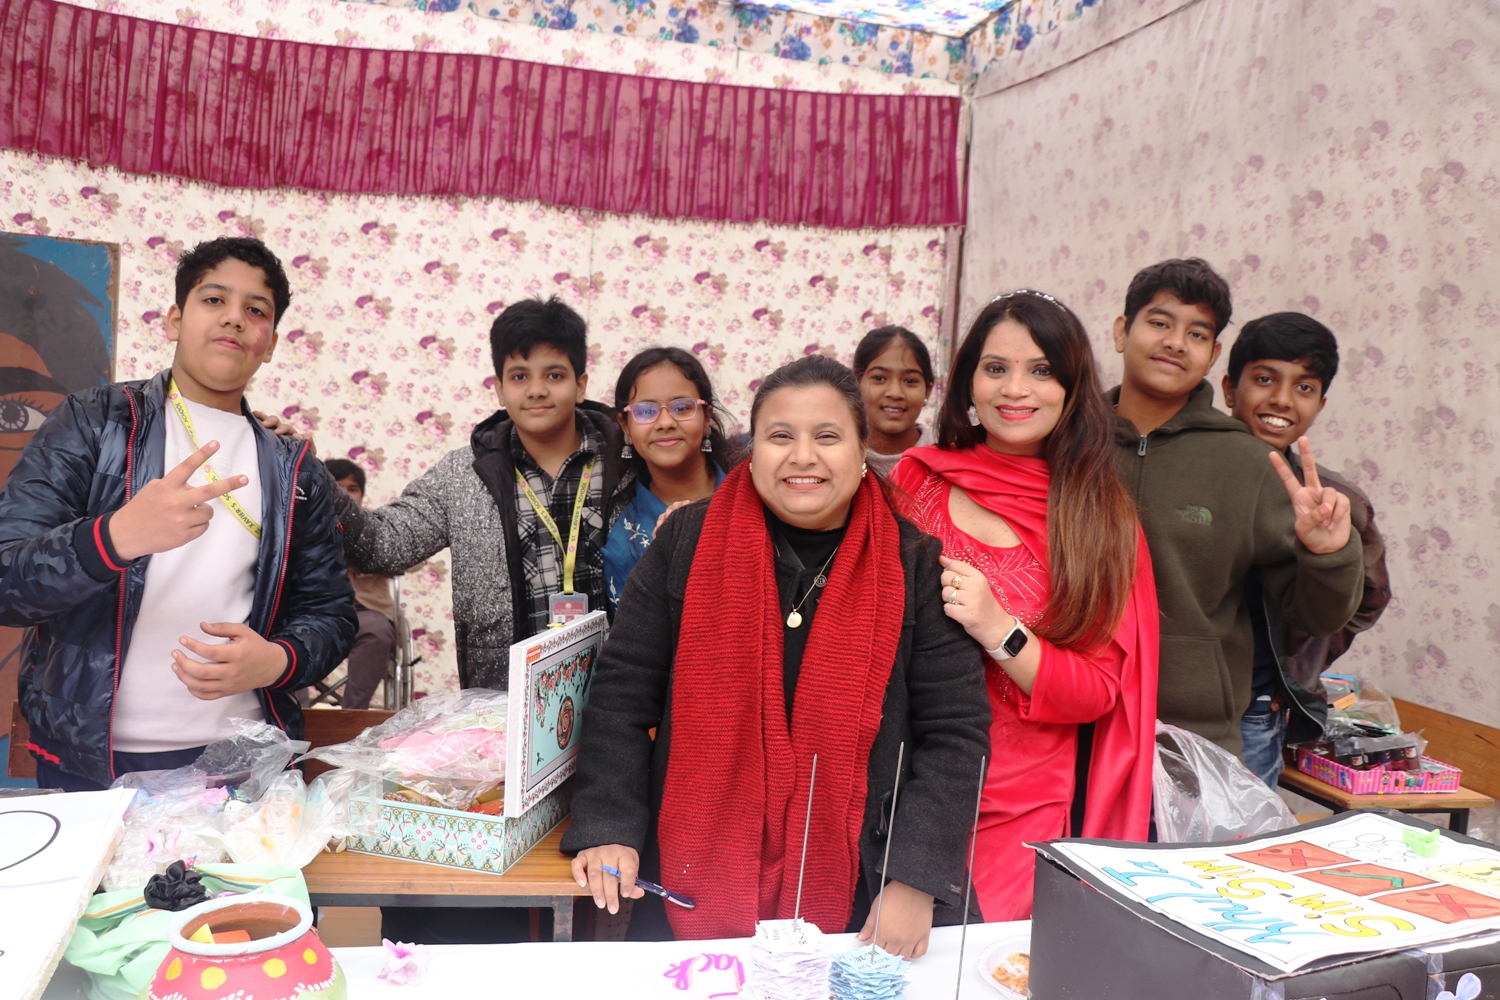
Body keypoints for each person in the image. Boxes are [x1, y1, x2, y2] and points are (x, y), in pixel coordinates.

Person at [562, 355, 990, 957]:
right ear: (751, 449)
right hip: (693, 877)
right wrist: (609, 825)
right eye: (780, 436)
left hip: (868, 892)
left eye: (828, 437)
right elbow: (621, 696)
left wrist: (915, 876)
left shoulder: (914, 563)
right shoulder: (685, 543)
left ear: (862, 450)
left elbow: (957, 734)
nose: (803, 457)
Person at [0, 237, 357, 791]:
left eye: (255, 310)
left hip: (242, 767)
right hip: (90, 765)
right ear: (174, 320)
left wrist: (278, 661)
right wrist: (113, 538)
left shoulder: (293, 466)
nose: (234, 317)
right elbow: (8, 582)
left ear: (270, 344)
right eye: (214, 300)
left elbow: (331, 614)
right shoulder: (94, 423)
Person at [890, 289, 1158, 921]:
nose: (1015, 389)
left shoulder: (1098, 520)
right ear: (968, 382)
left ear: (1071, 388)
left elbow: (1097, 692)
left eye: (1041, 370)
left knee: (981, 964)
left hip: (1017, 805)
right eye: (996, 368)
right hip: (901, 786)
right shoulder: (915, 480)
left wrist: (999, 630)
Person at [1108, 258, 1364, 758]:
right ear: (1122, 331)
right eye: (1159, 322)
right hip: (1063, 721)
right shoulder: (1067, 439)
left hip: (1190, 739)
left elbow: (1316, 615)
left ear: (1212, 355)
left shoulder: (1249, 464)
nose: (1176, 342)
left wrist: (1330, 554)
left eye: (1197, 334)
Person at [329, 295, 631, 692]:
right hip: (504, 705)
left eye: (554, 375)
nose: (536, 390)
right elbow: (382, 545)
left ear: (580, 386)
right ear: (499, 390)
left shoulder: (629, 462)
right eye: (519, 377)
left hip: (619, 703)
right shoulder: (462, 474)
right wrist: (310, 474)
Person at [1222, 312, 1391, 785]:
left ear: (1320, 404)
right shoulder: (1194, 472)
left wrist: (1295, 665)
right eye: (1264, 379)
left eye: (1304, 387)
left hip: (1255, 716)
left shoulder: (1336, 503)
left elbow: (1369, 598)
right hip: (1163, 705)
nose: (1281, 398)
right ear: (1230, 388)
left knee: (1236, 833)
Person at [602, 347, 732, 613]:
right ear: (626, 426)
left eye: (681, 408)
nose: (665, 422)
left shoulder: (754, 495)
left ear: (706, 417)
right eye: (646, 411)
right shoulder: (624, 543)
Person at [323, 458, 399, 710]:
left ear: (362, 495)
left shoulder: (376, 525)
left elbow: (411, 558)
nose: (346, 493)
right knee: (286, 632)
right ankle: (296, 720)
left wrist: (366, 558)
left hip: (365, 613)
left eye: (353, 488)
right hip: (316, 611)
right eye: (338, 486)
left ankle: (353, 716)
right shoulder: (304, 523)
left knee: (377, 632)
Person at [853, 326, 935, 478]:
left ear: (927, 391)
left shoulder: (949, 460)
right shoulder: (840, 457)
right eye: (879, 378)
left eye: (910, 380)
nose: (895, 393)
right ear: (857, 385)